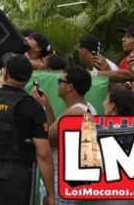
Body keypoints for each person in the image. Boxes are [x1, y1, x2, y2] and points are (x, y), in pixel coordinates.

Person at [0, 53, 55, 205]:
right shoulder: (32, 107)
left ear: (6, 73)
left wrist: (9, 67)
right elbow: (43, 153)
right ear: (28, 78)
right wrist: (51, 193)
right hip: (16, 174)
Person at [32, 66, 96, 205]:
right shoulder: (86, 108)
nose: (57, 84)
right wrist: (46, 105)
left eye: (59, 81)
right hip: (67, 183)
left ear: (70, 87)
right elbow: (57, 133)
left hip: (60, 184)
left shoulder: (74, 113)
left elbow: (47, 140)